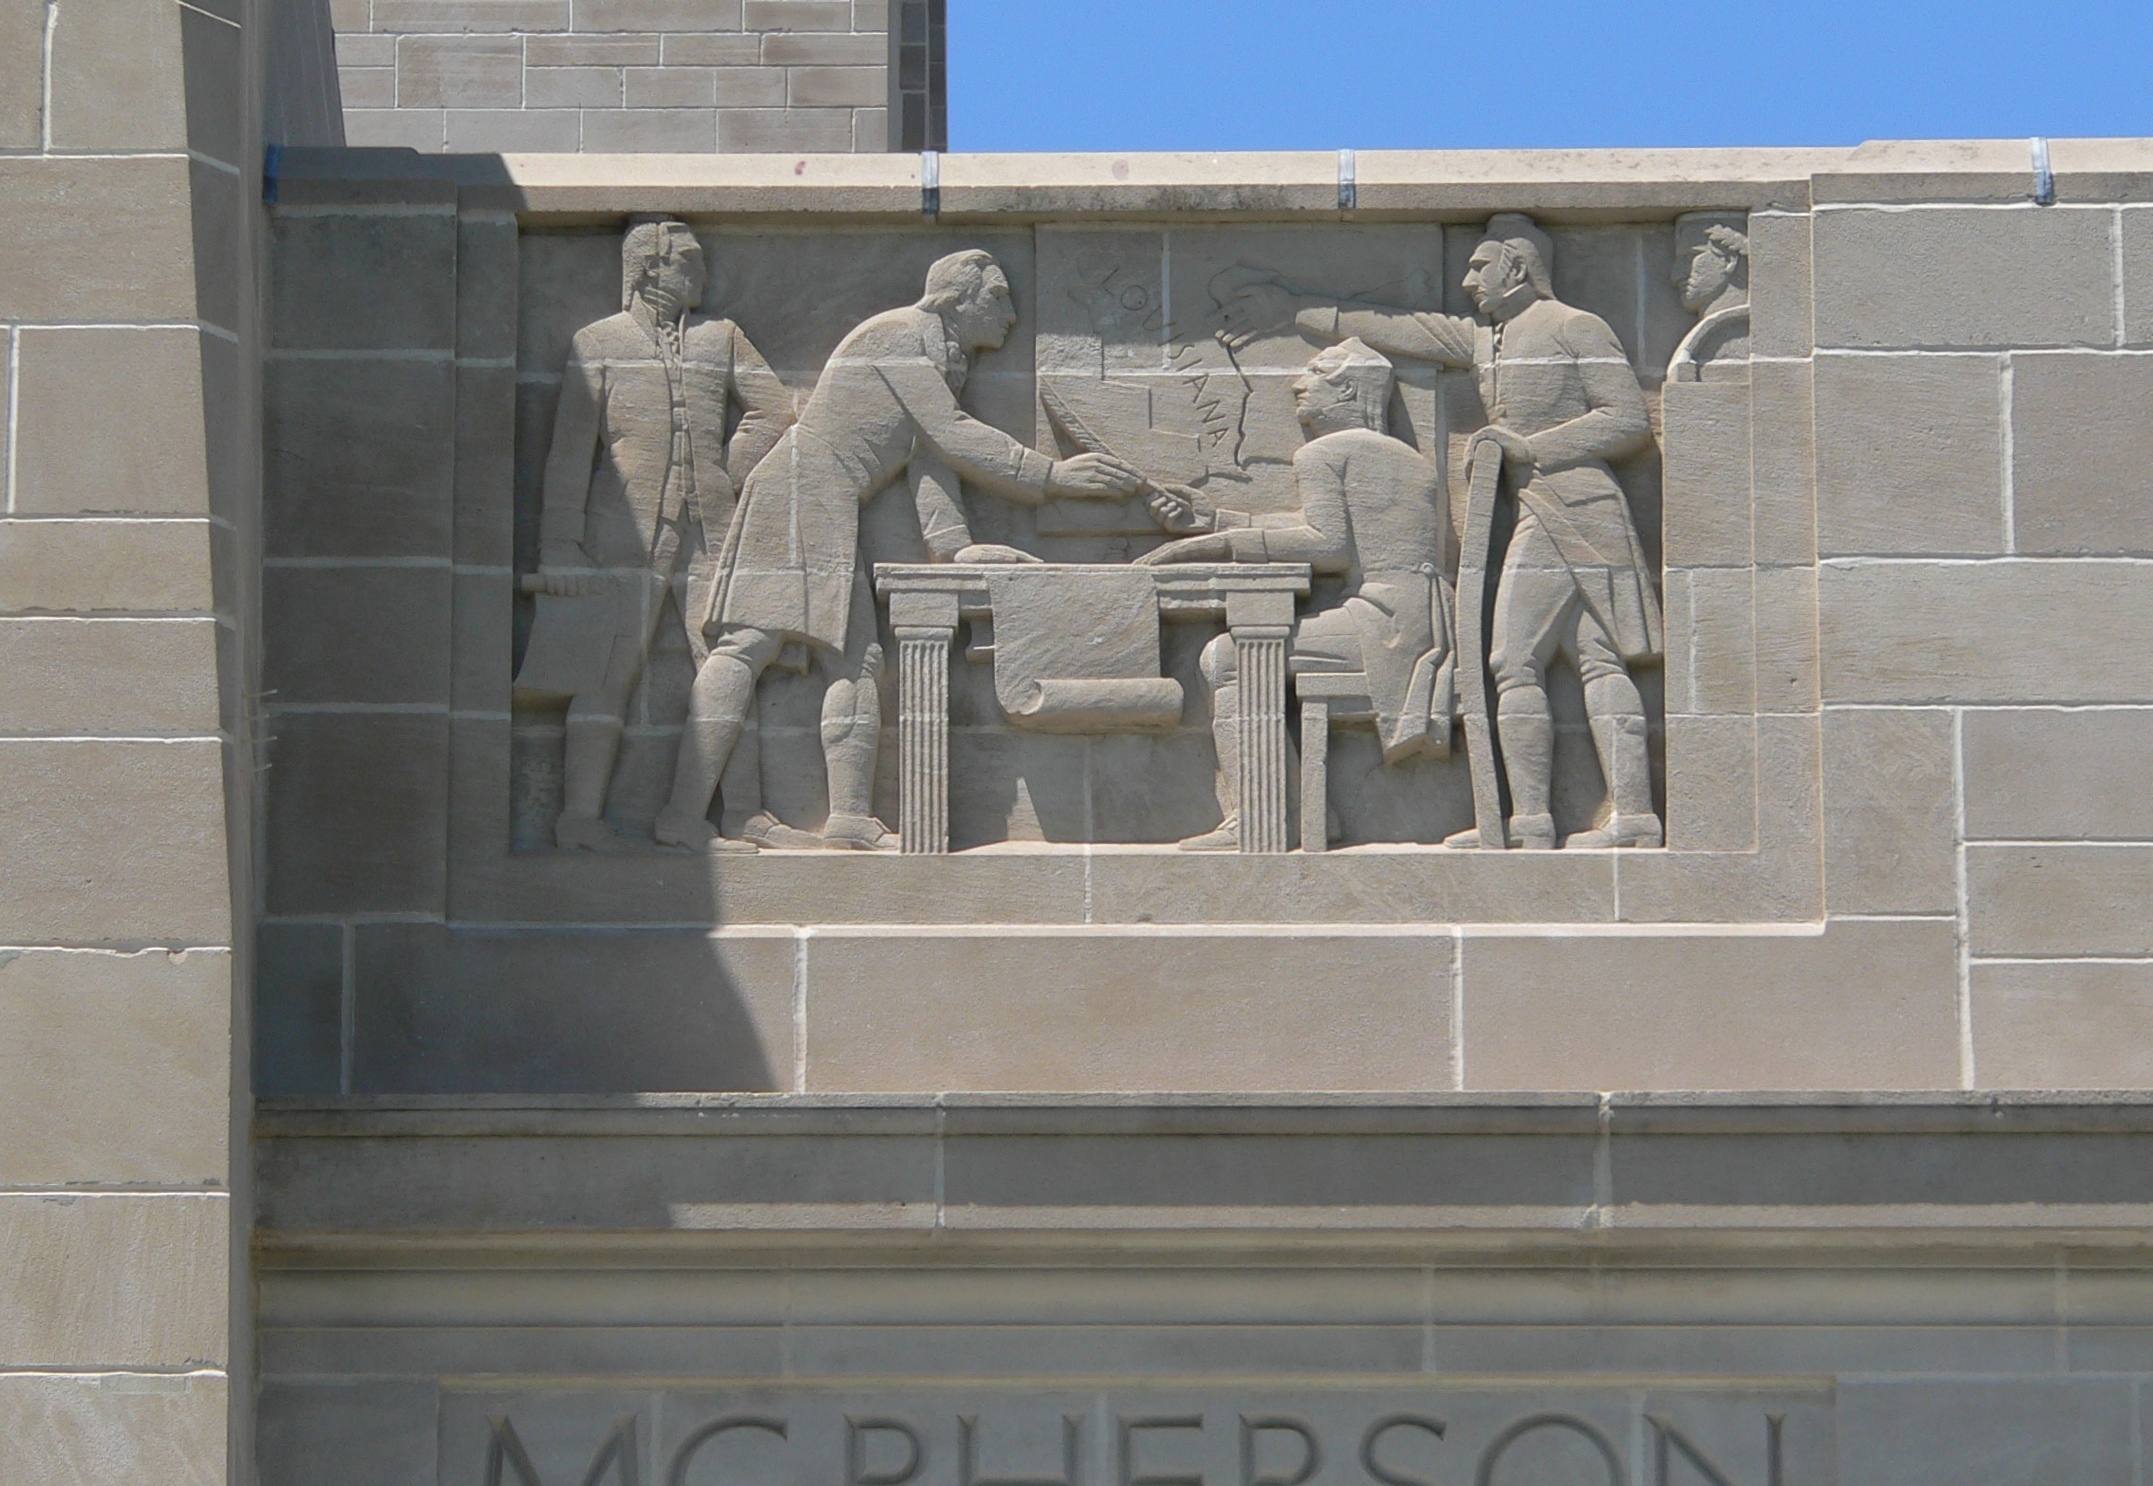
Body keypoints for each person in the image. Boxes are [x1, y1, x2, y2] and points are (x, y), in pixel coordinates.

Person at [654, 249, 1143, 851]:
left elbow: (930, 460)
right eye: (999, 299)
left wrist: (956, 549)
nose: (1011, 316)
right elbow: (952, 435)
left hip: (829, 498)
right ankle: (681, 817)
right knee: (747, 647)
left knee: (856, 661)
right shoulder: (897, 335)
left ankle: (847, 818)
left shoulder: (939, 355)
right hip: (802, 488)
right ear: (957, 299)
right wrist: (1053, 477)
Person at [1222, 213, 1663, 849]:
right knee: (1587, 658)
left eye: (1480, 267)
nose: (1467, 279)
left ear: (1518, 266)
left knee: (1518, 660)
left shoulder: (1575, 325)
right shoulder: (1489, 340)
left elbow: (1627, 420)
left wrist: (1528, 448)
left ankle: (1540, 824)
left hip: (1581, 507)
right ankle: (1599, 821)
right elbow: (1402, 329)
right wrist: (1298, 308)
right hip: (1540, 508)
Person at [531, 216, 795, 853]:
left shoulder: (721, 337)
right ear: (650, 269)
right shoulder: (597, 343)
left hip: (711, 529)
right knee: (608, 672)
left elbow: (774, 408)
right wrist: (560, 544)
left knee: (729, 661)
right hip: (622, 534)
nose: (702, 273)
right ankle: (579, 819)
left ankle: (742, 813)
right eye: (690, 262)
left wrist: (728, 472)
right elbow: (570, 454)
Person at [1140, 340, 1454, 851]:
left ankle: (1269, 816)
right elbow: (1330, 531)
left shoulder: (1325, 452)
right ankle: (1302, 810)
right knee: (1238, 656)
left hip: (1384, 623)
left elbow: (1327, 546)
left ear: (1349, 389)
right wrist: (1218, 521)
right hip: (1430, 617)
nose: (1297, 384)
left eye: (1316, 372)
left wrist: (1219, 544)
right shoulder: (1409, 459)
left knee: (1227, 658)